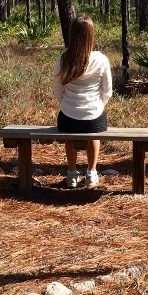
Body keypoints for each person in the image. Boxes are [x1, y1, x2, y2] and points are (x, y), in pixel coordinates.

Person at [52, 15, 112, 188]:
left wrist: (68, 104)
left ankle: (71, 174)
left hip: (68, 117)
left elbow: (57, 91)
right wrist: (97, 107)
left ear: (72, 34)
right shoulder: (101, 59)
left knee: (69, 136)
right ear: (91, 35)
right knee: (94, 134)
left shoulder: (63, 59)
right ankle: (91, 173)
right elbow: (107, 91)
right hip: (94, 115)